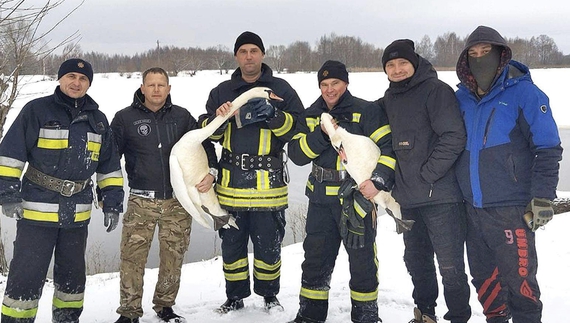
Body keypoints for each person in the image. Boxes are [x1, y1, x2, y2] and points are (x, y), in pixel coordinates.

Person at [0, 58, 124, 323]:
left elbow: (109, 168)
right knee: (26, 276)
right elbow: (11, 155)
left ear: (89, 83)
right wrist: (8, 194)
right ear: (60, 79)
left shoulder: (98, 120)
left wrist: (112, 203)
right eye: (71, 77)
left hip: (77, 217)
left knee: (72, 279)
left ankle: (68, 319)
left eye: (83, 79)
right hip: (36, 213)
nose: (76, 83)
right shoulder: (37, 111)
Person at [455, 26, 563, 323]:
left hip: (511, 209)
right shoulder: (461, 97)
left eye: (486, 52)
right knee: (484, 280)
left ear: (501, 55)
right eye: (473, 54)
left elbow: (549, 147)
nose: (480, 59)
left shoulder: (525, 93)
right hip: (471, 209)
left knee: (520, 282)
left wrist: (542, 196)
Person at [198, 31, 304, 313]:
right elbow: (207, 135)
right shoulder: (222, 91)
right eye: (243, 51)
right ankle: (235, 296)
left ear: (263, 55)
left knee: (269, 245)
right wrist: (219, 119)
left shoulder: (281, 89)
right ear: (236, 56)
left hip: (269, 183)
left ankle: (270, 295)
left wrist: (274, 115)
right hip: (231, 182)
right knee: (232, 246)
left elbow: (299, 130)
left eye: (253, 51)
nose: (248, 56)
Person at [287, 60, 396, 323]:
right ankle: (310, 315)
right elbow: (297, 155)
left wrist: (377, 182)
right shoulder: (311, 114)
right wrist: (323, 135)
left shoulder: (365, 111)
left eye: (335, 83)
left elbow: (388, 149)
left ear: (345, 83)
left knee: (362, 260)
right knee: (315, 259)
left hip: (358, 197)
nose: (329, 89)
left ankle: (366, 316)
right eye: (324, 85)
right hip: (321, 200)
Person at [110, 67, 218, 323]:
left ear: (169, 89)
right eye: (151, 85)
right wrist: (107, 189)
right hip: (141, 201)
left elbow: (204, 145)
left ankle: (165, 306)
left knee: (173, 256)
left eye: (161, 85)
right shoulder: (124, 118)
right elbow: (110, 157)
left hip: (177, 201)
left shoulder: (182, 117)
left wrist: (212, 172)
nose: (156, 89)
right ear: (142, 88)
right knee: (132, 259)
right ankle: (129, 311)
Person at [380, 40, 471, 323]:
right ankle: (425, 313)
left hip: (441, 197)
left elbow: (454, 136)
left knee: (450, 265)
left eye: (402, 63)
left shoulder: (436, 91)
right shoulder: (390, 97)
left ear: (414, 63)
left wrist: (428, 174)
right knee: (417, 263)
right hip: (407, 199)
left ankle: (458, 317)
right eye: (390, 65)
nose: (397, 69)